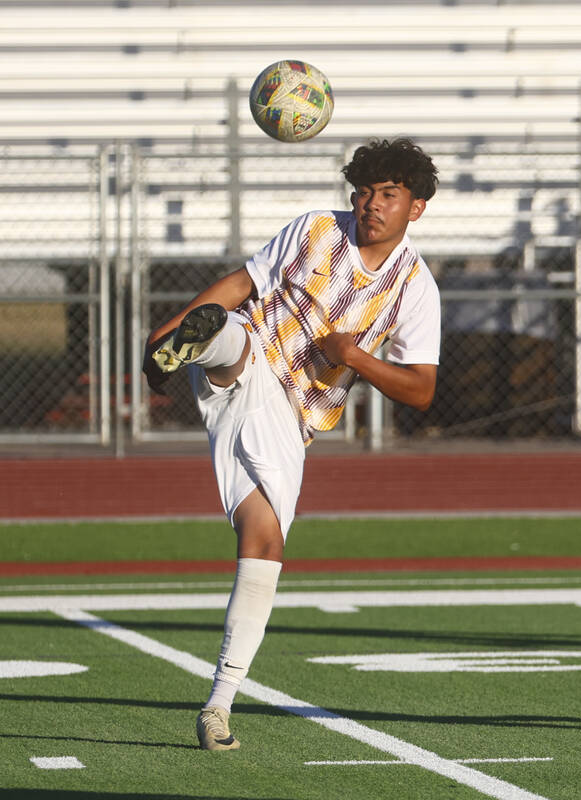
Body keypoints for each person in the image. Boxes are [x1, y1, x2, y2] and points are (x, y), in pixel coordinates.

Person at [142, 138, 441, 750]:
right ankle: (208, 341)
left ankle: (218, 706)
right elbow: (242, 281)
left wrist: (354, 356)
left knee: (264, 544)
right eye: (363, 193)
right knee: (234, 337)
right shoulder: (313, 229)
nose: (371, 205)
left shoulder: (415, 287)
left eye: (389, 194)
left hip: (292, 417)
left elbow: (421, 391)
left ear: (416, 208)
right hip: (253, 363)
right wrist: (172, 327)